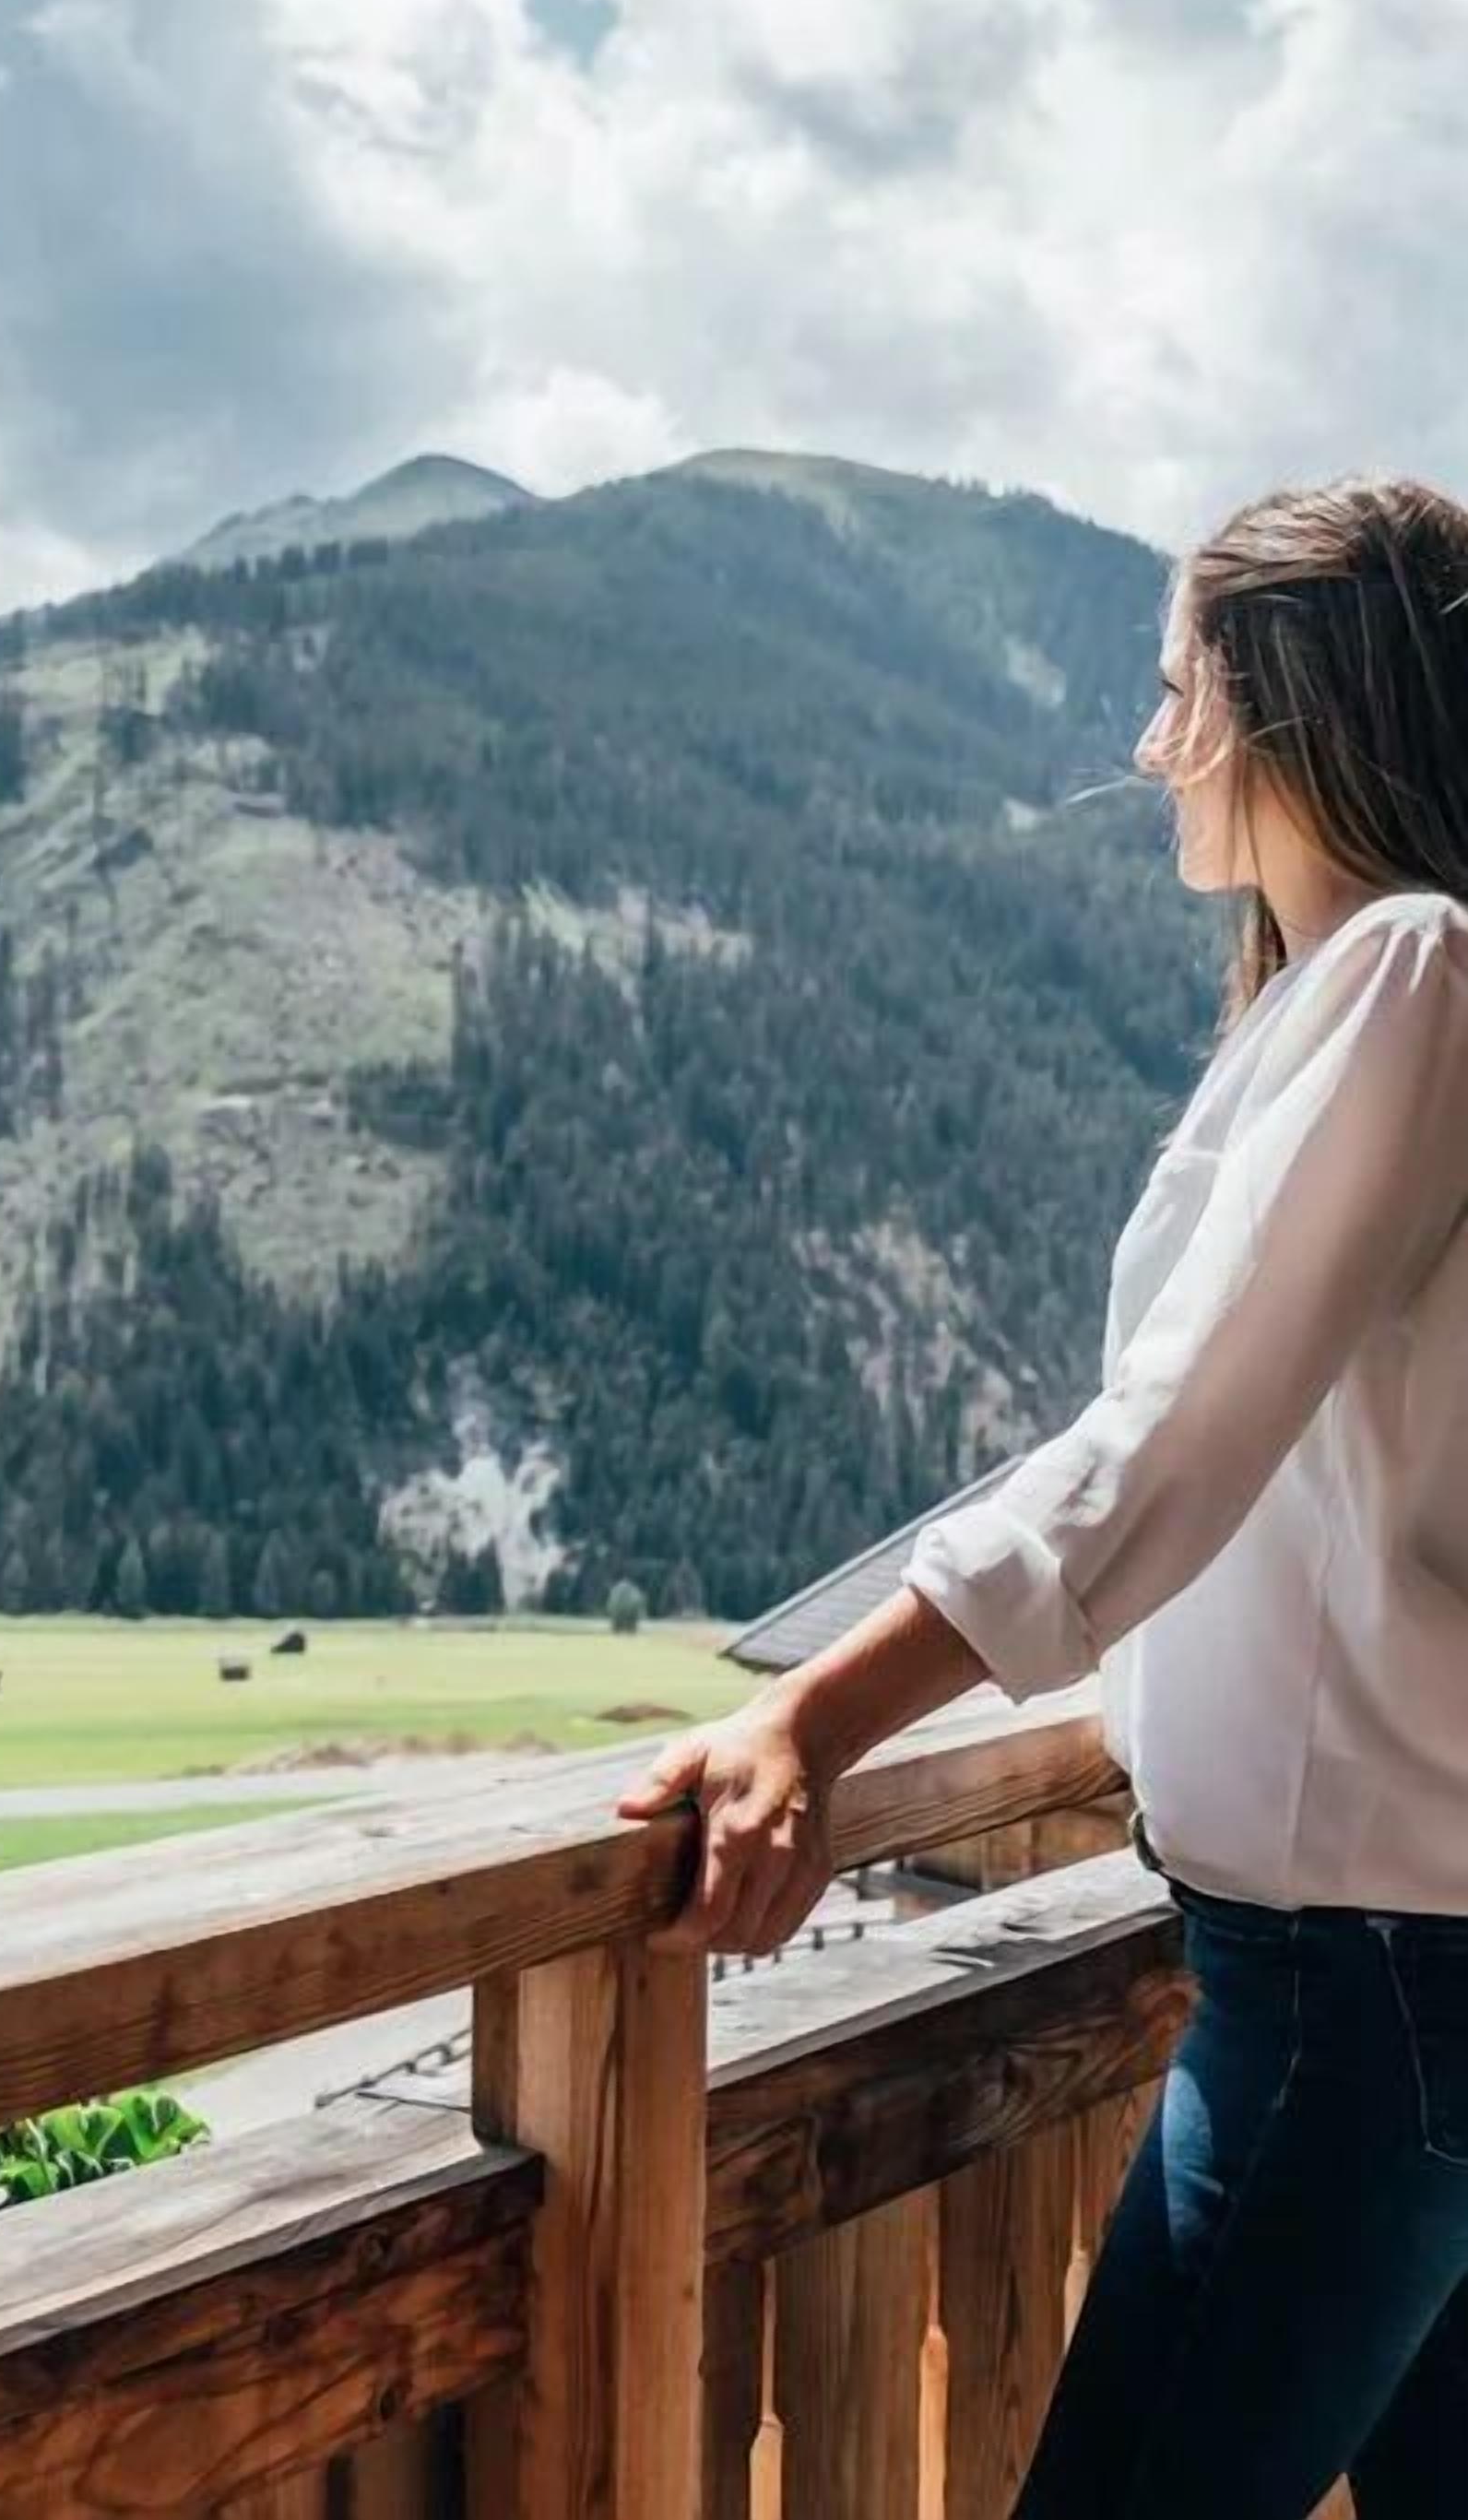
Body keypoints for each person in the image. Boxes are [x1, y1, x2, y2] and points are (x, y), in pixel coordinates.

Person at [618, 476, 1468, 2517]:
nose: (1153, 743)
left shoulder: (1412, 966)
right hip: (1383, 1981)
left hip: (1351, 2003)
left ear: (1296, 704)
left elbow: (1164, 1442)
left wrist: (814, 1716)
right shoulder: (1378, 989)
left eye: (1181, 691)